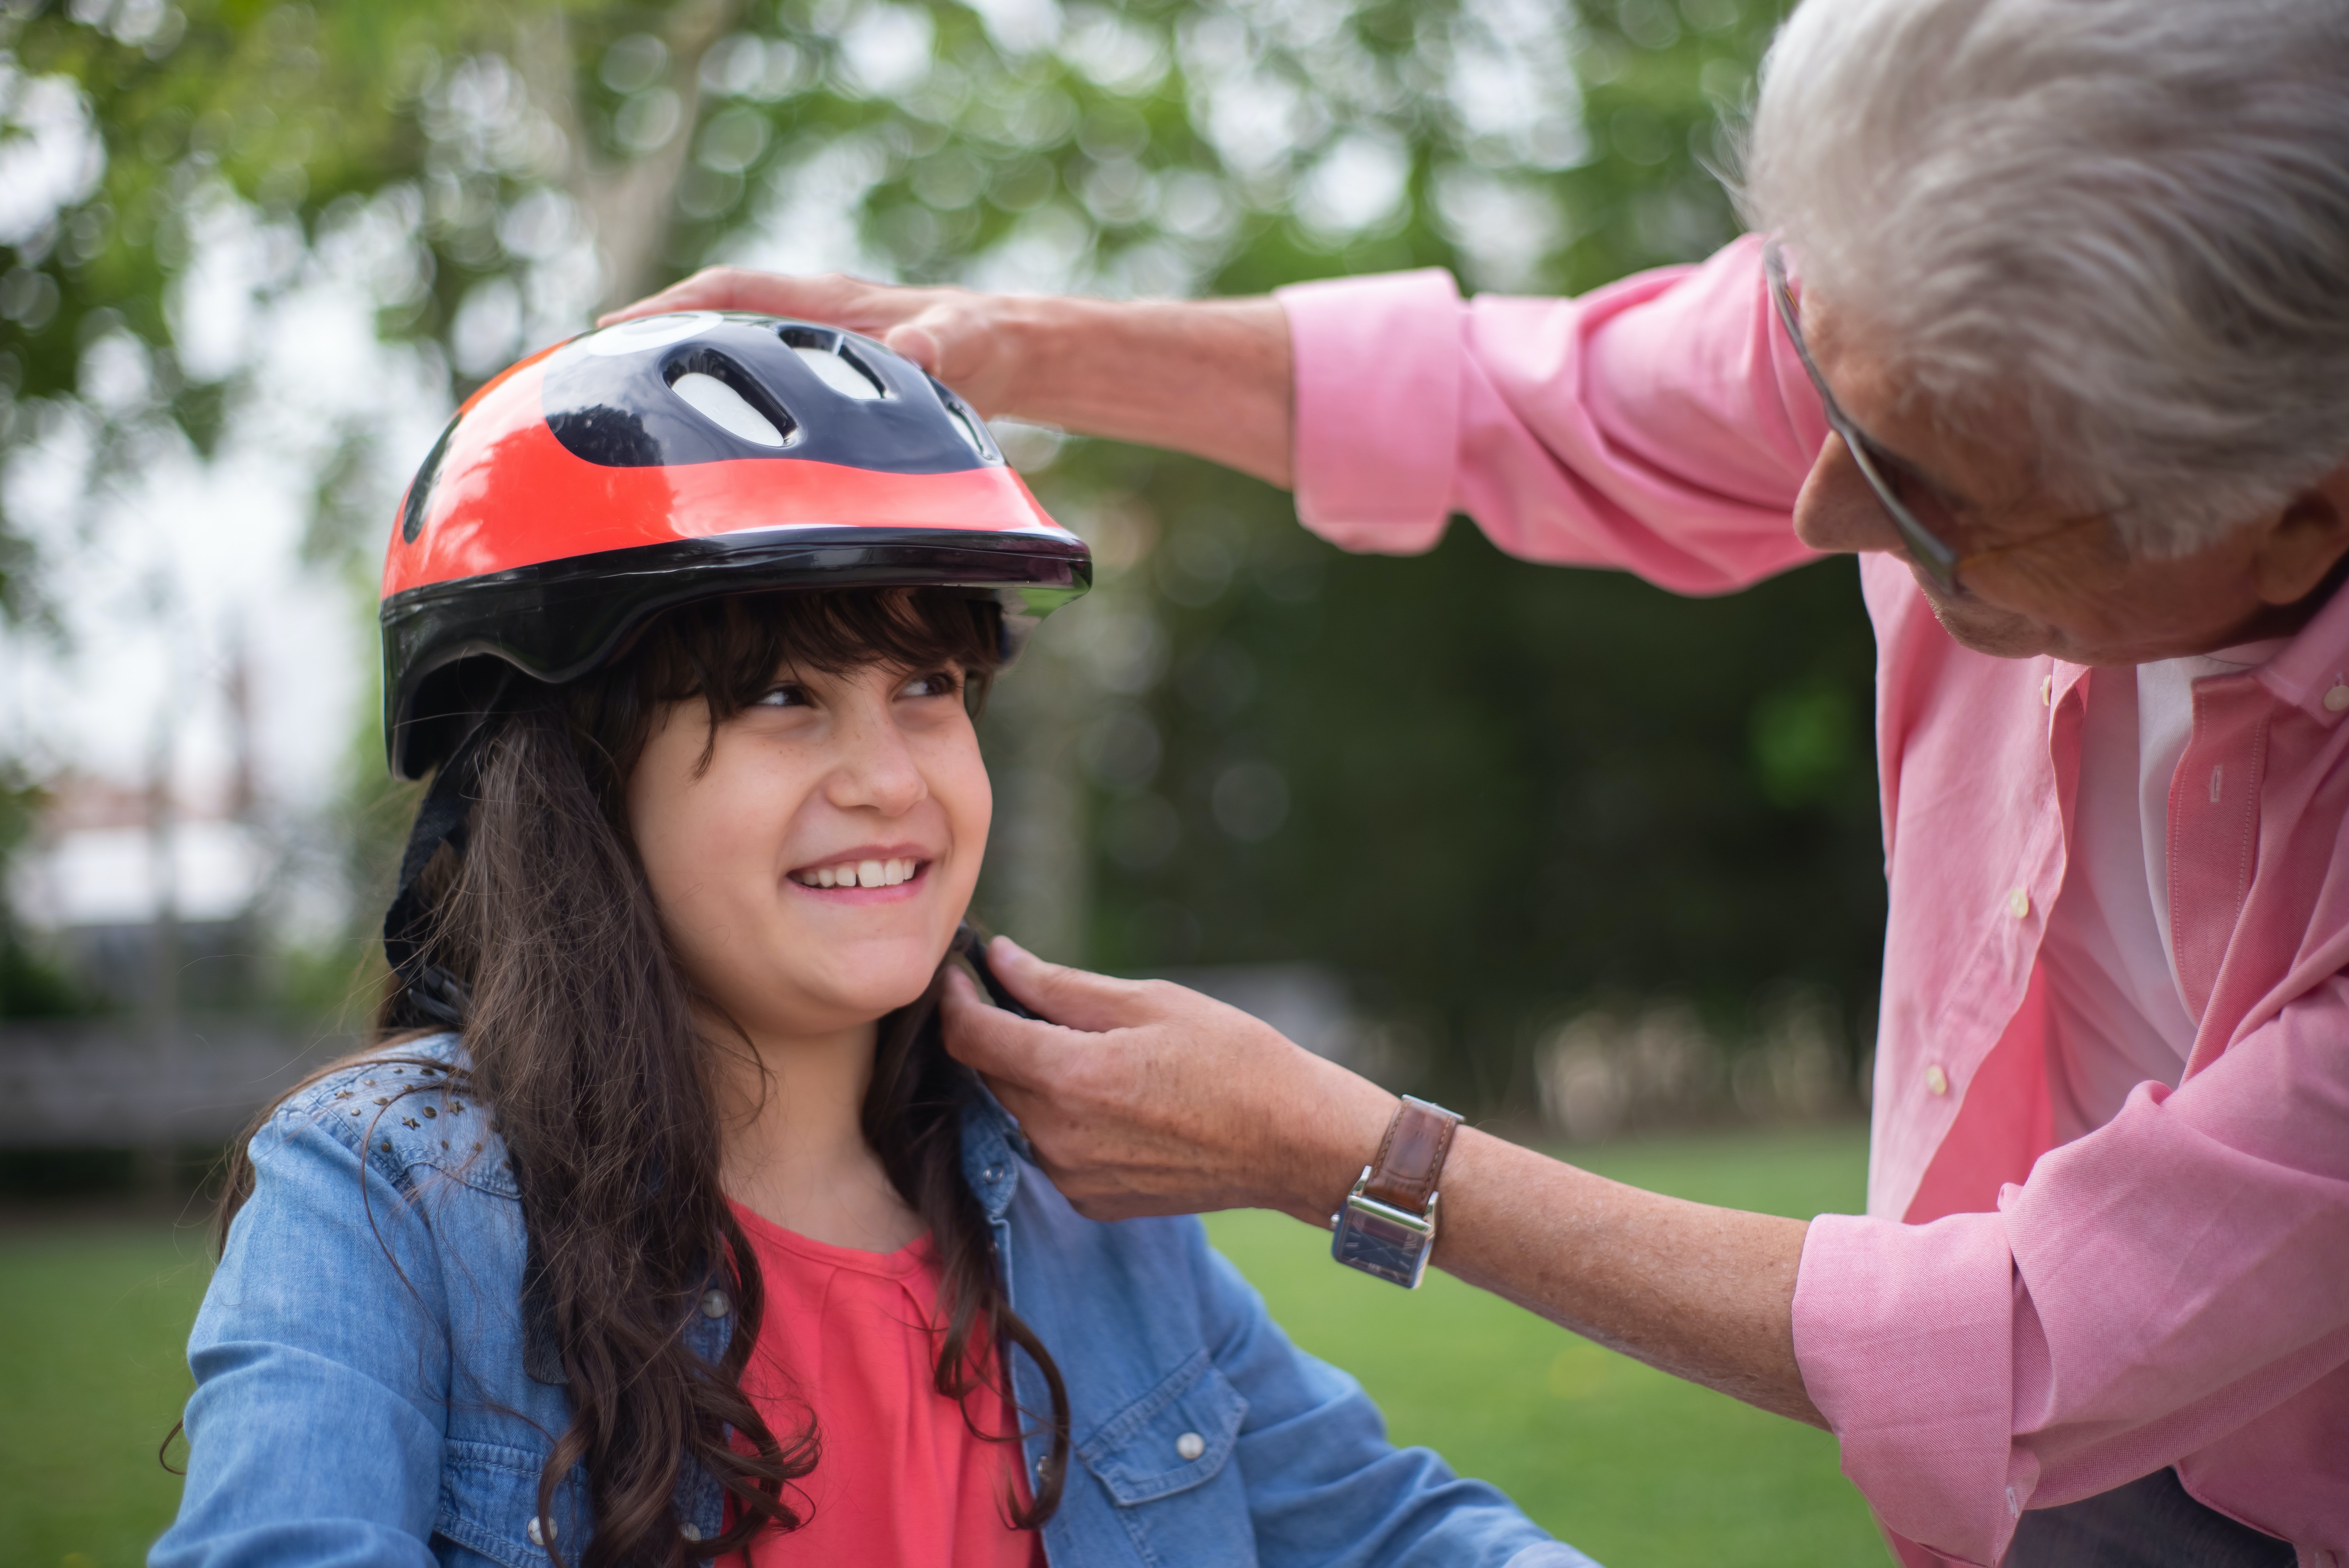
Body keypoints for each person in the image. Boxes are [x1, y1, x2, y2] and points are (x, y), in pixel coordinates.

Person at [602, 0, 2349, 1564]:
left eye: (1929, 503)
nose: (1818, 513)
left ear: (2295, 513)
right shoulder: (1942, 317)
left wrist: (1351, 1156)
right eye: (774, 693)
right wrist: (1016, 342)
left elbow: (2029, 1334)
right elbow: (1523, 399)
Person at [151, 314, 1591, 1567]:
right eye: (781, 695)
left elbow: (1391, 1532)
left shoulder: (1076, 1193)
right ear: (575, 780)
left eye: (928, 682)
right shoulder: (388, 1194)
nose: (893, 779)